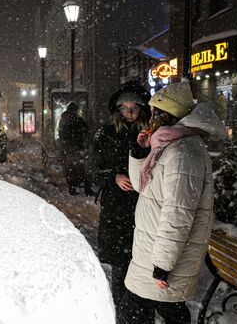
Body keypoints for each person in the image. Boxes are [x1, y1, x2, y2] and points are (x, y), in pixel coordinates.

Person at [118, 82, 226, 324]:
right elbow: (140, 186)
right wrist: (138, 151)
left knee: (134, 312)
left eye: (155, 112)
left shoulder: (183, 153)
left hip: (163, 258)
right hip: (153, 251)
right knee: (166, 312)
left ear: (168, 115)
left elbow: (178, 214)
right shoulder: (167, 145)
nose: (150, 117)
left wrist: (162, 265)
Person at [91, 81, 151, 318]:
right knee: (121, 266)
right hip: (116, 209)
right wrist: (113, 177)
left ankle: (141, 315)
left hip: (144, 207)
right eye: (125, 108)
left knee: (143, 265)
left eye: (134, 107)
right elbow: (93, 168)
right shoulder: (105, 134)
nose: (130, 112)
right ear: (118, 110)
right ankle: (122, 315)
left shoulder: (150, 134)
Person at [58, 102, 93, 195]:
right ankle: (87, 189)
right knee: (82, 168)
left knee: (69, 169)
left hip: (67, 148)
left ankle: (72, 188)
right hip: (77, 147)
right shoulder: (78, 119)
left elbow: (61, 133)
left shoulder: (63, 119)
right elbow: (86, 130)